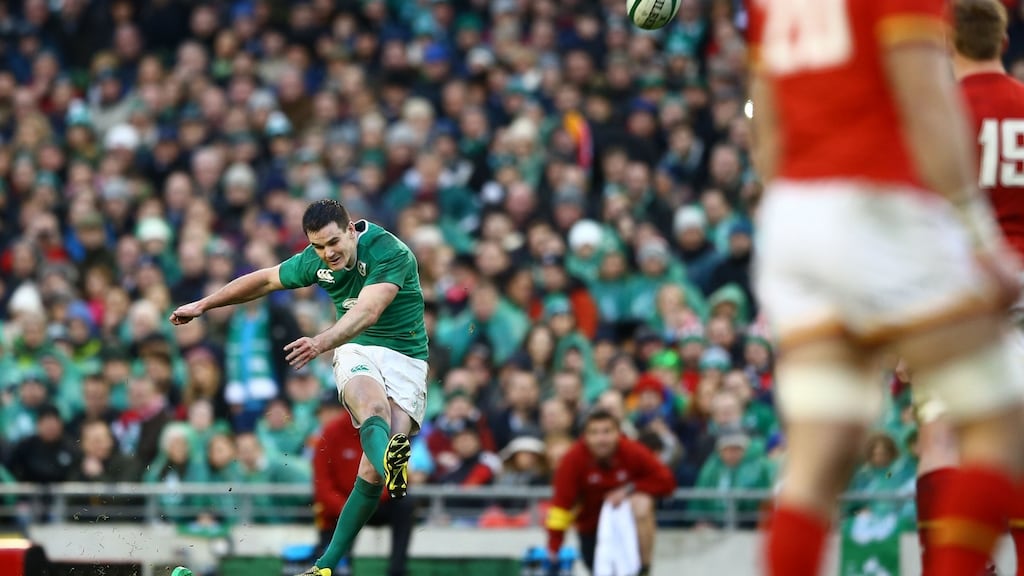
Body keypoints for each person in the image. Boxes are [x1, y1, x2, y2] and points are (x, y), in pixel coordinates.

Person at [748, 1, 1024, 575]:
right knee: (1001, 421)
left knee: (817, 458)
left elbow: (765, 122)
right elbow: (925, 99)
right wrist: (976, 238)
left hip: (793, 218)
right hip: (876, 206)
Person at [170, 199, 428, 576]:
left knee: (371, 473)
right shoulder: (316, 260)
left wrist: (321, 342)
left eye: (334, 243)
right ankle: (328, 563)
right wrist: (205, 304)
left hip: (405, 357)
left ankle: (330, 556)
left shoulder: (390, 252)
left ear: (352, 228)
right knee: (372, 410)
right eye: (318, 246)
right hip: (356, 347)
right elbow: (264, 279)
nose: (327, 254)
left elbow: (367, 312)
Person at [910, 3, 1024, 575]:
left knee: (942, 438)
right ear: (1003, 38)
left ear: (947, 39)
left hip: (955, 291)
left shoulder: (935, 114)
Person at [545, 409, 676, 576]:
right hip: (591, 531)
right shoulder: (574, 459)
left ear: (618, 433)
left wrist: (629, 489)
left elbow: (667, 481)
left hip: (628, 532)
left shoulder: (632, 451)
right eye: (594, 433)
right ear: (585, 436)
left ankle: (644, 569)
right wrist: (554, 547)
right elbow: (560, 505)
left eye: (607, 431)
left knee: (642, 502)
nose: (601, 439)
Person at [313, 402, 413, 576]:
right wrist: (346, 507)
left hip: (375, 500)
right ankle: (333, 565)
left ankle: (397, 570)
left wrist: (370, 500)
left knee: (404, 504)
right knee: (334, 559)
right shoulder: (331, 432)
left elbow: (399, 476)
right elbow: (322, 485)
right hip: (340, 507)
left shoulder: (387, 428)